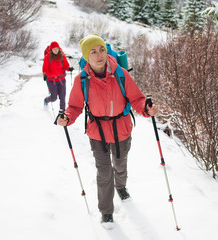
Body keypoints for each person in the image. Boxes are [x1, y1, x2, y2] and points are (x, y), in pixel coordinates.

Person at [57, 34, 158, 225]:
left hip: (121, 128)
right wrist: (67, 118)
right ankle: (106, 211)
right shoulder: (82, 80)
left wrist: (146, 108)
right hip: (97, 132)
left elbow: (137, 98)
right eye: (93, 51)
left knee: (120, 165)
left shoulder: (120, 73)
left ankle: (121, 186)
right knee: (104, 173)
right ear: (87, 56)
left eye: (101, 49)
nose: (99, 55)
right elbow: (75, 106)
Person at [42, 41, 74, 110]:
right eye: (54, 49)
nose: (56, 50)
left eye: (57, 49)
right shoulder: (47, 57)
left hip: (61, 79)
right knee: (54, 98)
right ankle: (46, 100)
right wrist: (45, 74)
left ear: (59, 49)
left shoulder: (62, 56)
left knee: (62, 98)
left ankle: (62, 113)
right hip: (51, 80)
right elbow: (45, 68)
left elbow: (66, 65)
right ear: (51, 50)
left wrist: (69, 68)